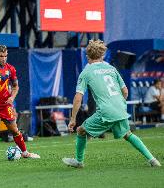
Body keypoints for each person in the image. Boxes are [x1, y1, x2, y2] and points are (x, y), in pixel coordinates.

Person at [62, 40, 161, 168]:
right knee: (128, 134)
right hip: (120, 107)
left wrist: (73, 119)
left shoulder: (86, 72)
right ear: (102, 55)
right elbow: (125, 91)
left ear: (87, 57)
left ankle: (79, 162)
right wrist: (119, 104)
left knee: (81, 130)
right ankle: (153, 160)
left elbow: (78, 97)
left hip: (106, 110)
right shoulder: (111, 69)